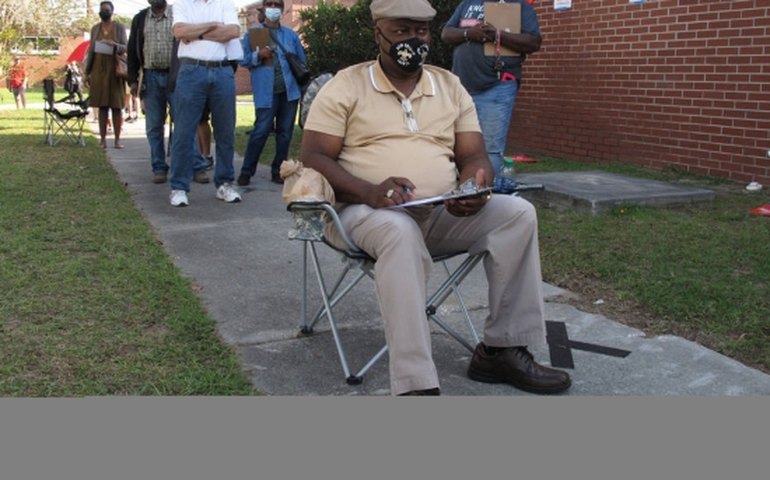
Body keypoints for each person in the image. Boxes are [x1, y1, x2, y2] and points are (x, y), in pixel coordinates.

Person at [300, 0, 571, 396]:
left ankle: (501, 350)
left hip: (438, 212)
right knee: (397, 230)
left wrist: (473, 188)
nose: (414, 40)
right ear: (378, 33)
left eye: (421, 31)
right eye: (402, 30)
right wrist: (369, 191)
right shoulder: (347, 85)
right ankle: (416, 383)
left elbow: (474, 156)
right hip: (361, 213)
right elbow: (313, 157)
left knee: (517, 213)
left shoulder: (449, 86)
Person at [441, 0, 542, 176]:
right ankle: (462, 187)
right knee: (455, 144)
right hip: (461, 88)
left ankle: (486, 190)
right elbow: (446, 33)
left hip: (496, 86)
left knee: (489, 149)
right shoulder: (467, 4)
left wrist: (497, 35)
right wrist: (469, 33)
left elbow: (533, 42)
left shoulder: (519, 6)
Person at [169, 0, 243, 207]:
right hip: (191, 70)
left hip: (222, 70)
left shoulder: (225, 3)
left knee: (225, 131)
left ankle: (225, 183)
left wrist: (196, 33)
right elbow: (180, 31)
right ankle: (179, 187)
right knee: (184, 132)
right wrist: (213, 25)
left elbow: (233, 31)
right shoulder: (182, 4)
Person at [237, 0, 307, 186]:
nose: (273, 8)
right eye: (270, 4)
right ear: (264, 7)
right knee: (260, 132)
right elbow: (243, 60)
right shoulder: (255, 33)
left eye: (277, 5)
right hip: (266, 92)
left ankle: (278, 171)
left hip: (289, 92)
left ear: (282, 10)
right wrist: (258, 56)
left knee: (285, 134)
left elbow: (302, 60)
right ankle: (246, 171)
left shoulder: (290, 35)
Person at [128, 0, 178, 184]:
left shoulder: (178, 14)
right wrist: (133, 80)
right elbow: (132, 50)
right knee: (154, 126)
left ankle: (190, 166)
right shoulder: (140, 18)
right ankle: (159, 168)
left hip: (176, 76)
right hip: (150, 77)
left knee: (184, 123)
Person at [85, 1, 129, 149]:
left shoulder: (119, 27)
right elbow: (91, 50)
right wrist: (87, 72)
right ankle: (102, 139)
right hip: (99, 71)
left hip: (115, 71)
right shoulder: (95, 29)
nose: (104, 12)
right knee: (102, 106)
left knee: (116, 106)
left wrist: (114, 45)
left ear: (112, 11)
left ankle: (117, 139)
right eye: (102, 9)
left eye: (106, 9)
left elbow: (125, 47)